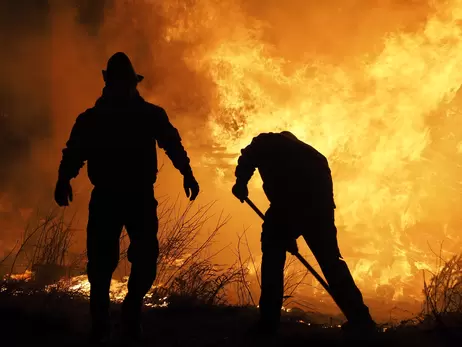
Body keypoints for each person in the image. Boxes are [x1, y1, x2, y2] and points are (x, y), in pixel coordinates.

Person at [54, 52, 200, 345]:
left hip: (137, 197)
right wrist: (63, 178)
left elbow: (171, 143)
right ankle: (102, 325)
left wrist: (187, 172)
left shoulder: (147, 115)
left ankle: (130, 313)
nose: (121, 87)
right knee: (100, 265)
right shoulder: (95, 118)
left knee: (143, 260)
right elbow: (74, 152)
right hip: (112, 197)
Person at [232, 131, 375, 335]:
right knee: (331, 262)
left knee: (272, 255)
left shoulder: (265, 141)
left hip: (294, 203)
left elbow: (249, 157)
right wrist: (291, 232)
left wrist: (240, 183)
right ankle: (362, 321)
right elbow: (321, 203)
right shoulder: (314, 156)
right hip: (319, 209)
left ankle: (268, 323)